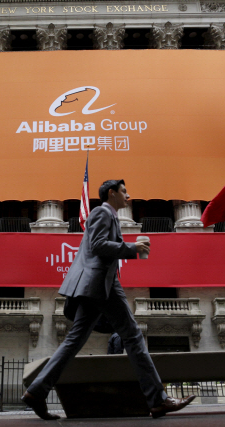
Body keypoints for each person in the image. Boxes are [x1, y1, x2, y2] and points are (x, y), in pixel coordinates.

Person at [22, 179, 195, 420]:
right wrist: (132, 248)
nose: (128, 195)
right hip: (101, 282)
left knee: (74, 341)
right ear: (112, 193)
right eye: (124, 191)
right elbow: (98, 245)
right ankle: (158, 399)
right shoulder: (102, 212)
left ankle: (36, 392)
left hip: (95, 283)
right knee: (132, 335)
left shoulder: (107, 215)